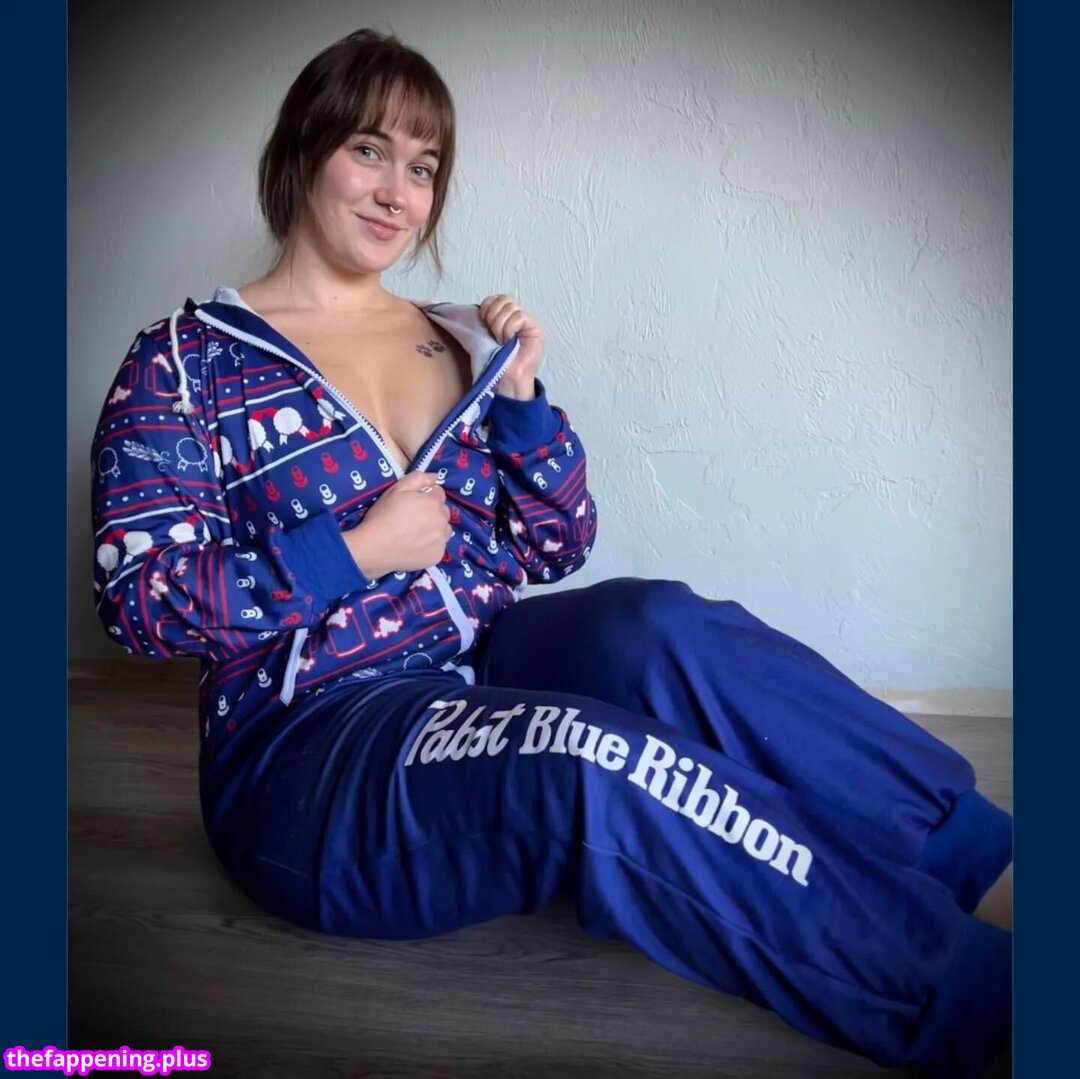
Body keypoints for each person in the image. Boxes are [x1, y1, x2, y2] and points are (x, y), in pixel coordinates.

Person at [90, 28, 1011, 1079]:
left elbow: (555, 543)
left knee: (657, 624)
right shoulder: (185, 360)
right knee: (587, 757)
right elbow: (139, 602)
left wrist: (522, 397)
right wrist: (355, 550)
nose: (397, 192)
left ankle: (979, 857)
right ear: (303, 149)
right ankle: (979, 999)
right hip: (312, 743)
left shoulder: (454, 338)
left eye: (424, 166)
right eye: (369, 150)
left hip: (482, 659)